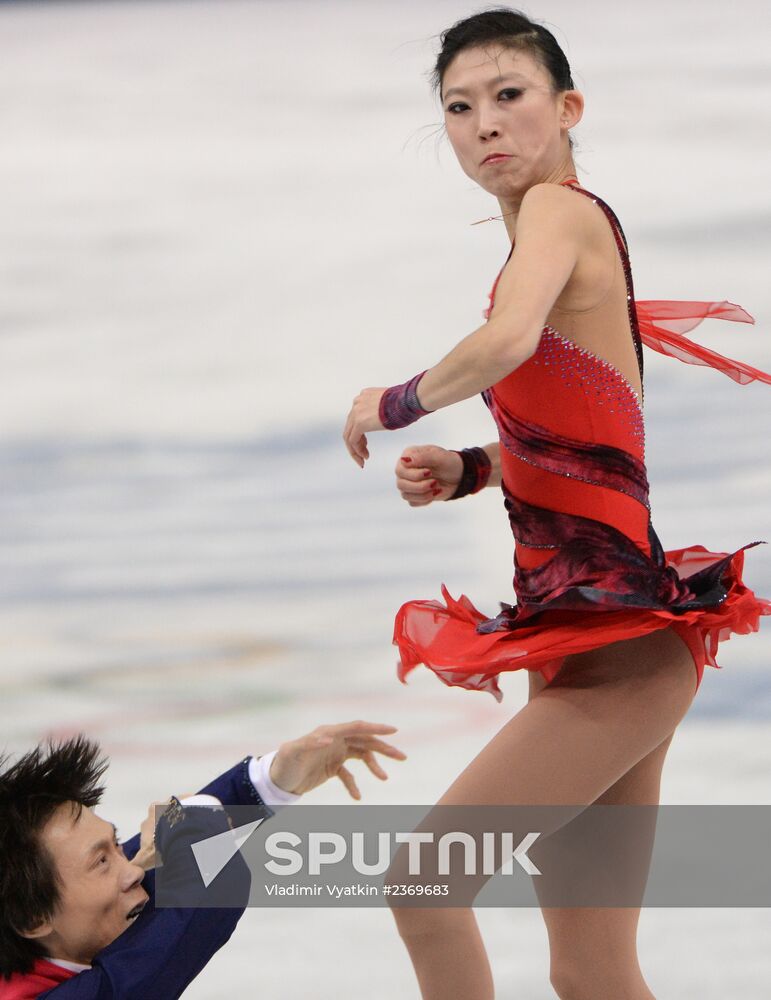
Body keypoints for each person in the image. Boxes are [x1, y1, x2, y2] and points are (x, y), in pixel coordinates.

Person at [342, 8, 770, 999]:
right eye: (460, 107)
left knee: (425, 885)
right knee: (592, 973)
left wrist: (394, 402)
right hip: (588, 640)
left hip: (618, 648)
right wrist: (474, 470)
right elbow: (598, 433)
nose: (485, 123)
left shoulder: (561, 214)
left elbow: (504, 345)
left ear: (567, 107)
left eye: (509, 96)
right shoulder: (554, 240)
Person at [0, 719, 406, 999]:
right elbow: (211, 896)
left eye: (113, 844)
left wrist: (272, 781)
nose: (131, 869)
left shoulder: (42, 908)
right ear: (32, 919)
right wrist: (190, 820)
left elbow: (151, 865)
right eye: (101, 862)